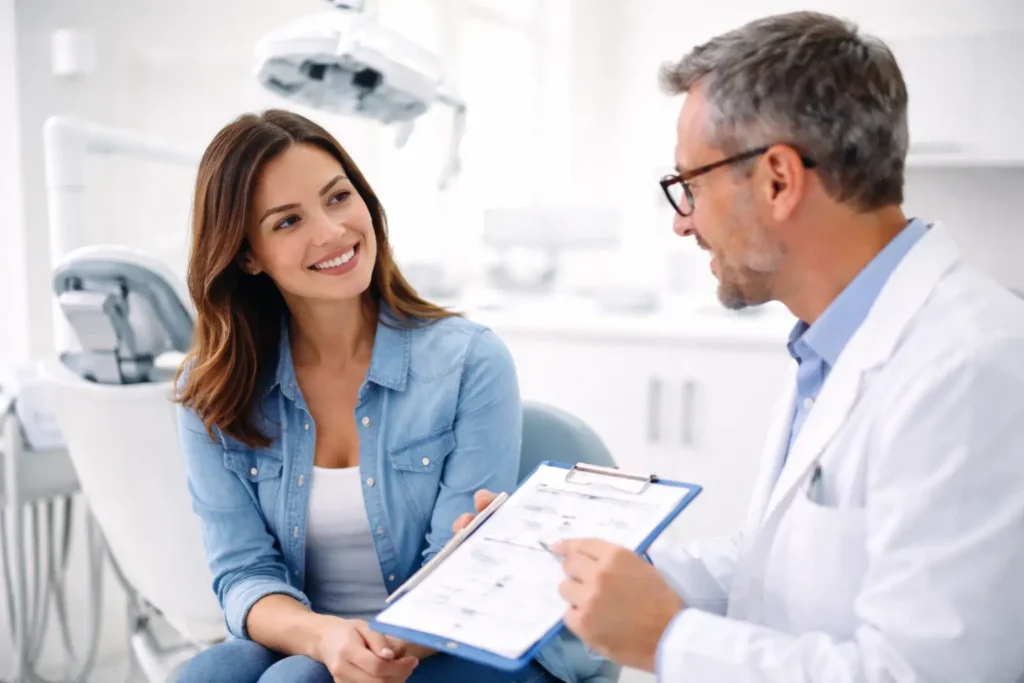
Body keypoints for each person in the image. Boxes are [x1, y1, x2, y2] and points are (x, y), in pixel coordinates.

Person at [457, 11, 1024, 682]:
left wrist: (665, 640)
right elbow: (776, 567)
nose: (682, 223)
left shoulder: (969, 367)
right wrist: (578, 568)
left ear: (777, 180)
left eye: (690, 186)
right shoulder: (834, 343)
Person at [171, 109, 575, 683]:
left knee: (294, 680)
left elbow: (457, 574)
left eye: (338, 197)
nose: (332, 231)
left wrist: (366, 648)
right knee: (213, 672)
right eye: (288, 221)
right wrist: (326, 638)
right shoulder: (212, 392)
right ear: (246, 255)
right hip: (313, 640)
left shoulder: (468, 361)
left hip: (450, 644)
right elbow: (242, 574)